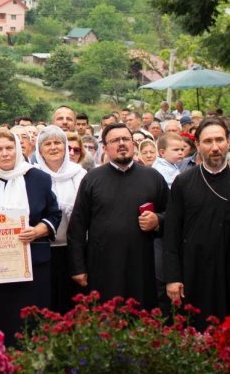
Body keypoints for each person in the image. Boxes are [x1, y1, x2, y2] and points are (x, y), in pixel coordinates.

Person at [0, 127, 61, 338]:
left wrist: (36, 231)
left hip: (31, 267)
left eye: (9, 147)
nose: (5, 153)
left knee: (27, 325)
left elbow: (54, 215)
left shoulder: (39, 178)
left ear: (18, 149)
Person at [68, 123, 169, 308]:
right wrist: (78, 267)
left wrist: (158, 220)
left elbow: (171, 215)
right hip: (102, 265)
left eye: (125, 139)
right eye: (115, 140)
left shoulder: (153, 177)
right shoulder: (92, 179)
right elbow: (77, 226)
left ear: (133, 144)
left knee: (141, 319)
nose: (121, 144)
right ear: (105, 148)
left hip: (142, 265)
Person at [164, 119, 230, 326]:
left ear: (229, 142)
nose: (215, 147)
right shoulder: (183, 182)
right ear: (197, 146)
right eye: (208, 141)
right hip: (193, 271)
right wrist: (172, 277)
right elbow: (172, 233)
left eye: (220, 140)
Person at [34, 125, 86, 314]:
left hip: (73, 249)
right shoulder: (32, 175)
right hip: (42, 248)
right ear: (40, 150)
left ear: (65, 147)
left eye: (58, 142)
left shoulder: (80, 174)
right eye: (48, 144)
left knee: (71, 302)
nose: (53, 147)